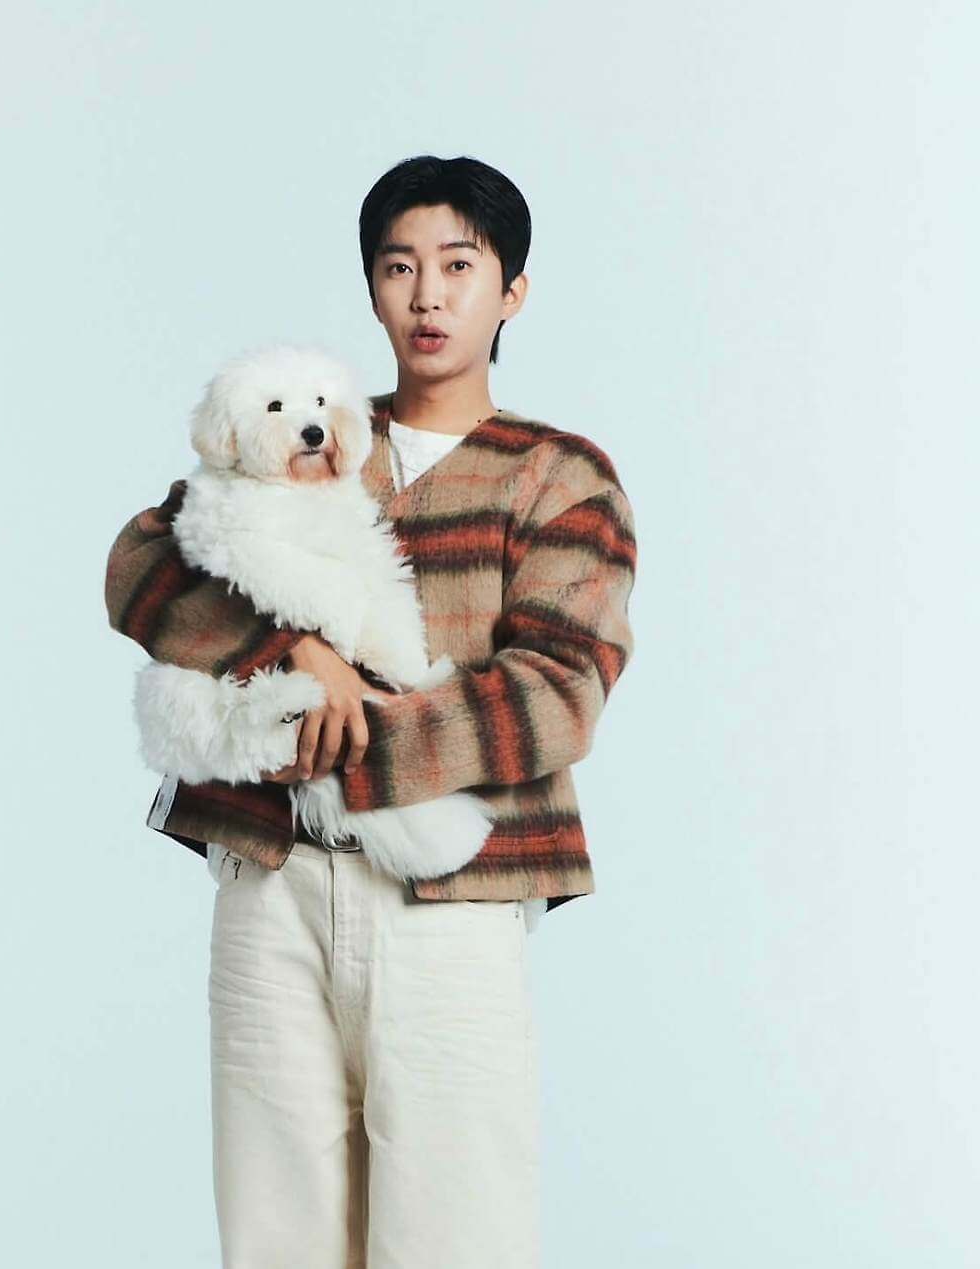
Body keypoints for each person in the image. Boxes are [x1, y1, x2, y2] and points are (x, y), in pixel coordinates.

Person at [104, 153, 638, 1269]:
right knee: (275, 1232)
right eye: (399, 267)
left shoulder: (557, 475)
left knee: (456, 1233)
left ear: (512, 290)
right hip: (271, 880)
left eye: (458, 266)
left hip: (450, 899)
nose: (427, 295)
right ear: (372, 287)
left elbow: (559, 691)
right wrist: (289, 651)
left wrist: (356, 734)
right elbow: (141, 569)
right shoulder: (308, 427)